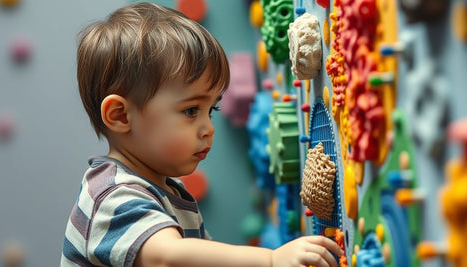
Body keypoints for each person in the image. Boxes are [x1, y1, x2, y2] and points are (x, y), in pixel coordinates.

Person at [61, 2, 343, 266]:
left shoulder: (164, 190)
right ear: (121, 116)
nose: (208, 128)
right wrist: (269, 260)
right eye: (191, 110)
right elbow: (168, 258)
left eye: (212, 110)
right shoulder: (112, 196)